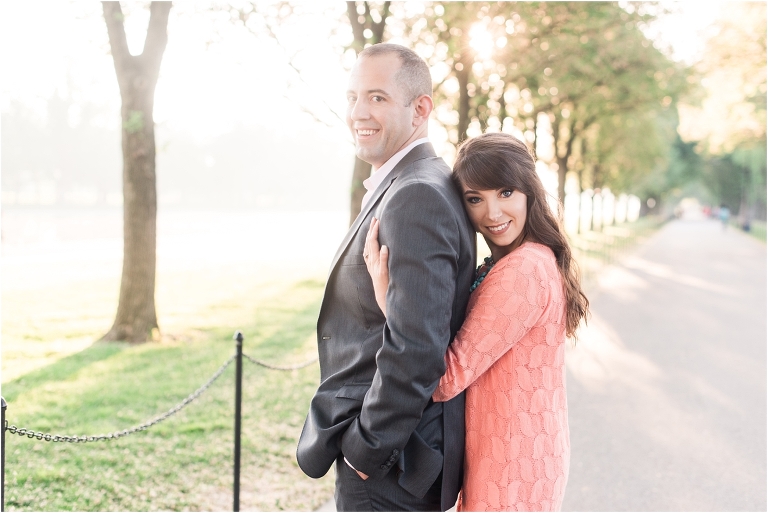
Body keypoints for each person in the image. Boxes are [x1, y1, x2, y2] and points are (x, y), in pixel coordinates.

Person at [364, 132, 590, 511]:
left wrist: (391, 300)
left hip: (514, 464)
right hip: (518, 451)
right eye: (475, 199)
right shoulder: (520, 260)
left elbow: (447, 377)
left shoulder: (524, 270)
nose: (493, 213)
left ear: (528, 190)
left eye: (505, 192)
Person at [296, 43, 477, 511]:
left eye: (377, 97)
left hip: (392, 468)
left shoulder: (417, 195)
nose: (359, 111)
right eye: (353, 96)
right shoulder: (412, 183)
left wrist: (367, 448)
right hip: (393, 459)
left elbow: (418, 344)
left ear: (420, 109)